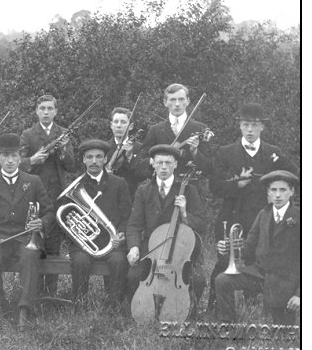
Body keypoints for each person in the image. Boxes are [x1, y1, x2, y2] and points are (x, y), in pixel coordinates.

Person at [207, 103, 299, 311]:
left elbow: (295, 175)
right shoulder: (225, 152)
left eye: (255, 125)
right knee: (224, 263)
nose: (250, 130)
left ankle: (253, 307)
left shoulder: (273, 152)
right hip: (232, 217)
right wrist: (236, 185)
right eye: (246, 124)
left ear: (262, 127)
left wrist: (281, 167)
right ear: (239, 126)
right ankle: (215, 309)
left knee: (256, 262)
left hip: (263, 220)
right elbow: (214, 186)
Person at [0, 133, 54, 329]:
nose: (10, 161)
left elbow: (49, 211)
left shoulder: (33, 181)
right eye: (5, 156)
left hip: (25, 238)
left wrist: (41, 223)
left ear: (20, 158)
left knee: (30, 255)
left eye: (14, 156)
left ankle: (24, 309)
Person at [126, 145, 206, 311]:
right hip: (151, 248)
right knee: (133, 276)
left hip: (180, 249)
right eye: (159, 162)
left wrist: (185, 213)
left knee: (198, 280)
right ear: (153, 164)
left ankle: (187, 309)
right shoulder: (143, 191)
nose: (163, 167)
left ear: (175, 164)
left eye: (168, 163)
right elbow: (134, 224)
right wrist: (133, 246)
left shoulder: (189, 190)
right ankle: (142, 308)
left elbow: (201, 223)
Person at [215, 170, 300, 324]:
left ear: (292, 191)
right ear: (268, 192)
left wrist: (299, 294)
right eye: (273, 190)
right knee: (222, 280)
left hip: (286, 281)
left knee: (283, 331)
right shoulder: (263, 214)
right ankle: (228, 327)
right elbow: (248, 249)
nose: (278, 195)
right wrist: (228, 249)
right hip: (259, 275)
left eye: (283, 190)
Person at [20, 94, 75, 297]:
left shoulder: (63, 134)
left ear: (56, 111)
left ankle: (51, 293)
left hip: (57, 197)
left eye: (50, 108)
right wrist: (32, 160)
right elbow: (17, 163)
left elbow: (71, 165)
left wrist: (63, 150)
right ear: (36, 111)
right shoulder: (28, 134)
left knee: (53, 246)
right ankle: (34, 292)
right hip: (34, 197)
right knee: (35, 244)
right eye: (42, 108)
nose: (46, 112)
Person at [64, 139, 131, 307]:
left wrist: (121, 233)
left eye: (99, 157)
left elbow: (127, 215)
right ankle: (80, 304)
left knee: (118, 261)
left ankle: (114, 305)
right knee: (80, 261)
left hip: (113, 242)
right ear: (83, 160)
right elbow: (66, 218)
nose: (94, 161)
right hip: (84, 244)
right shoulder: (76, 186)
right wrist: (76, 233)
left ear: (106, 159)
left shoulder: (119, 183)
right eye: (89, 157)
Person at [141, 83, 211, 176]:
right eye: (172, 100)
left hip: (190, 183)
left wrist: (194, 152)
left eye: (181, 99)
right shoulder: (155, 130)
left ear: (188, 101)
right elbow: (140, 163)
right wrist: (157, 159)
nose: (177, 104)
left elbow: (210, 166)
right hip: (162, 183)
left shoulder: (201, 128)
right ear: (165, 102)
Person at [105, 107, 151, 198]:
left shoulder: (139, 148)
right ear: (111, 125)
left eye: (123, 122)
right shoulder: (103, 147)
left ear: (131, 126)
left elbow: (142, 176)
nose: (119, 125)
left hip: (130, 197)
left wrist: (130, 157)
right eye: (116, 122)